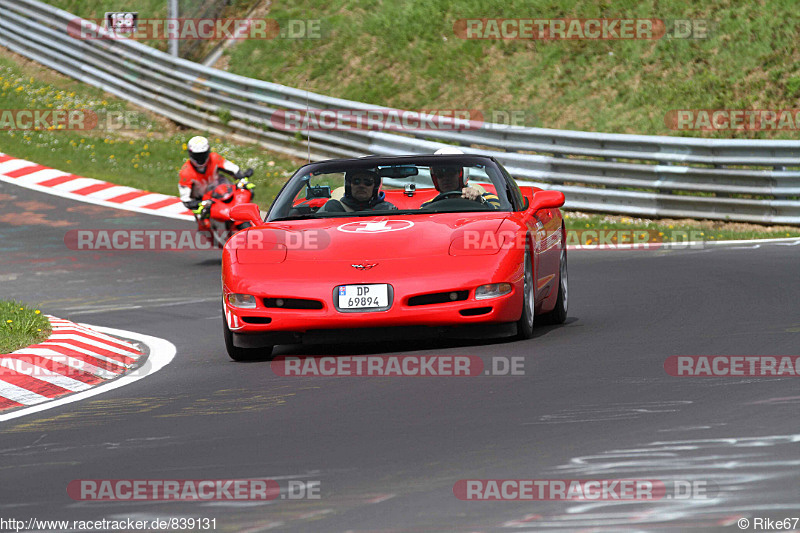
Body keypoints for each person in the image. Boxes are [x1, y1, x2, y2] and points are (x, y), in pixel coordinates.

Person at [178, 136, 249, 220]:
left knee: (246, 190)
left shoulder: (214, 158)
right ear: (191, 154)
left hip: (221, 193)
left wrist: (242, 175)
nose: (200, 158)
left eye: (203, 155)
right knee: (204, 223)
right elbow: (186, 200)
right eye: (197, 155)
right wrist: (199, 203)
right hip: (203, 201)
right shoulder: (186, 172)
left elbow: (232, 168)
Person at [423, 164, 501, 208]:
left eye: (451, 172)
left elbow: (500, 214)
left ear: (462, 174)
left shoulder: (488, 198)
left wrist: (479, 200)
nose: (445, 178)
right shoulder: (427, 205)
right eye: (439, 174)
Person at [320, 170, 397, 212]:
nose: (361, 186)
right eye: (356, 181)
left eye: (367, 182)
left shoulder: (387, 209)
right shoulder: (333, 208)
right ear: (349, 185)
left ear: (375, 186)